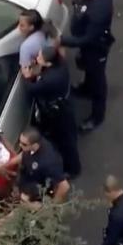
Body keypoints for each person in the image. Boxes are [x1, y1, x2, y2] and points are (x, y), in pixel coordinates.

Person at [56, 0, 115, 133]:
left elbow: (87, 39)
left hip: (95, 47)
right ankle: (86, 88)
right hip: (85, 41)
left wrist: (62, 40)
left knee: (97, 79)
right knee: (88, 69)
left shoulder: (99, 11)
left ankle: (97, 116)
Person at [23, 46, 81, 179]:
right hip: (61, 105)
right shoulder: (59, 64)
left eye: (40, 58)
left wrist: (27, 77)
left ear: (48, 63)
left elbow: (32, 89)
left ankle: (73, 169)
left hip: (60, 111)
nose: (37, 59)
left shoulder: (51, 79)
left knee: (67, 140)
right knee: (62, 136)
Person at [0, 127, 71, 204]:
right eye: (19, 142)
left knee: (25, 200)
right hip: (29, 176)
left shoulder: (49, 162)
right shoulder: (30, 147)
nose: (20, 145)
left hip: (39, 185)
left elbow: (64, 186)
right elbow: (22, 155)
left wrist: (52, 206)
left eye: (24, 144)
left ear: (35, 145)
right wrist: (4, 166)